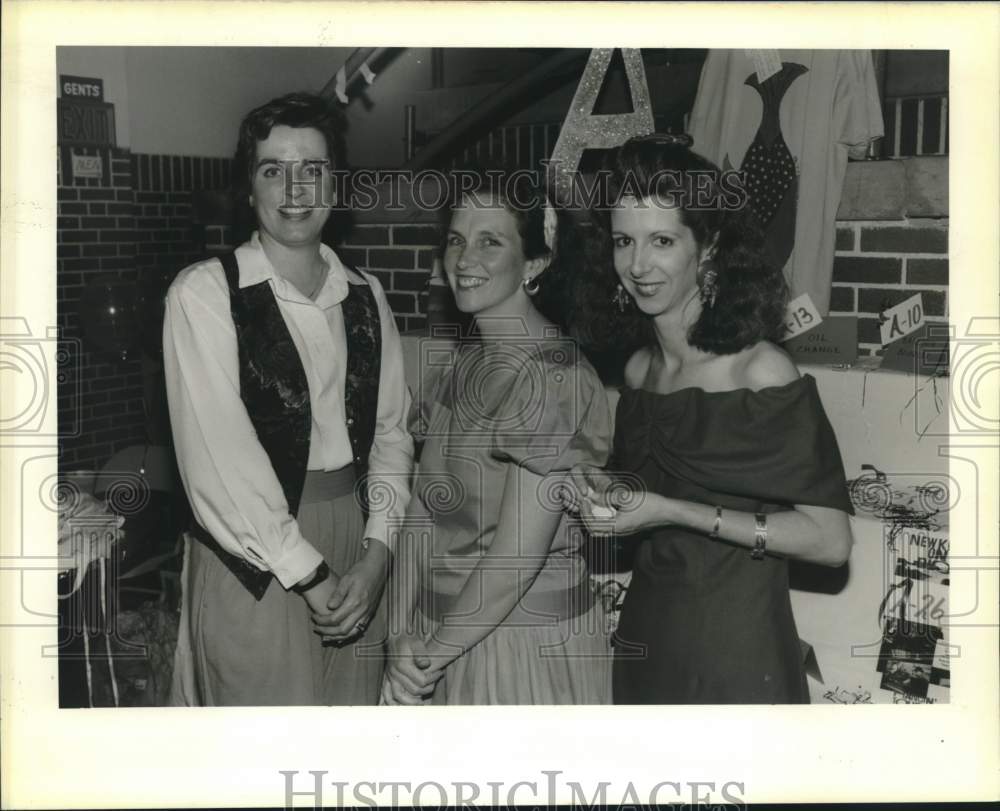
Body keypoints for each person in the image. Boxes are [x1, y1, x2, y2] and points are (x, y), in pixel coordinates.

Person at [563, 134, 855, 704]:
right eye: (624, 241)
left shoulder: (761, 371)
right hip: (646, 637)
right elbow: (646, 504)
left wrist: (672, 510)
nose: (638, 265)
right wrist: (606, 491)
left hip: (737, 652)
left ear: (710, 247)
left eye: (662, 241)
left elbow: (831, 541)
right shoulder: (640, 369)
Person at [163, 92, 413, 706]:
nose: (295, 189)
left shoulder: (365, 295)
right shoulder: (204, 294)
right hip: (252, 553)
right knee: (263, 763)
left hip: (355, 542)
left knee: (346, 762)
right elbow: (221, 459)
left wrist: (378, 553)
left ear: (336, 183)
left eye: (313, 169)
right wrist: (309, 572)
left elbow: (390, 435)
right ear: (249, 189)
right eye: (273, 169)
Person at [382, 167, 613, 705]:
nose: (464, 260)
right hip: (436, 637)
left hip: (519, 645)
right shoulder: (460, 367)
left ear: (535, 262)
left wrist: (424, 662)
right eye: (457, 241)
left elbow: (514, 563)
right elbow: (421, 509)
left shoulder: (558, 379)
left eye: (490, 242)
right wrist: (397, 634)